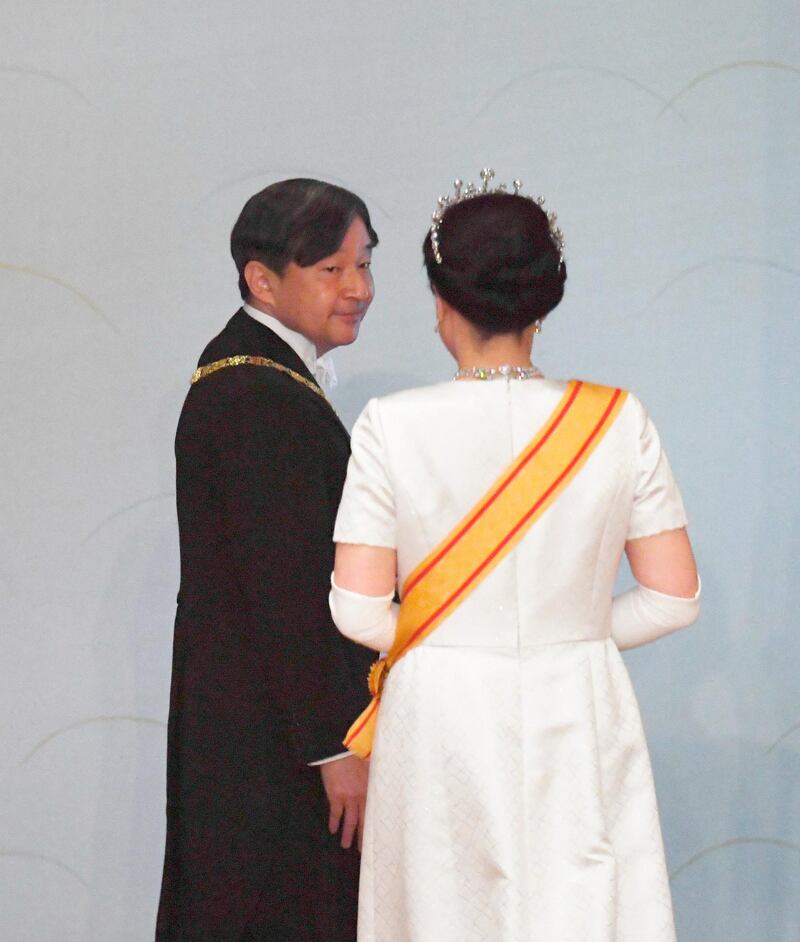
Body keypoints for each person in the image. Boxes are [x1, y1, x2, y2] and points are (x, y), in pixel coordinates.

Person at [329, 170, 700, 942]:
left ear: (442, 302)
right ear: (545, 298)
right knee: (583, 907)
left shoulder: (389, 426)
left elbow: (359, 608)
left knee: (443, 913)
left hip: (441, 715)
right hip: (580, 699)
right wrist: (572, 632)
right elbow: (673, 597)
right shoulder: (615, 418)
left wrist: (466, 637)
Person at [156, 178, 378, 941]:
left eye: (364, 265)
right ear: (263, 278)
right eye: (332, 270)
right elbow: (283, 591)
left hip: (261, 725)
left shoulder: (256, 374)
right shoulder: (257, 394)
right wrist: (333, 745)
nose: (358, 289)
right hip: (271, 746)